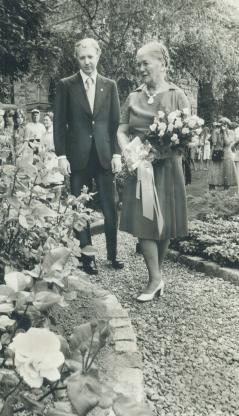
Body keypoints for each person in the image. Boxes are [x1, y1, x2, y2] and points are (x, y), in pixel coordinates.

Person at [117, 41, 190, 301]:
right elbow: (122, 130)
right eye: (138, 64)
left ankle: (156, 276)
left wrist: (161, 151)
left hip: (167, 168)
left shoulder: (177, 95)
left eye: (145, 63)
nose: (140, 68)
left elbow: (186, 136)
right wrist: (127, 150)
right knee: (144, 221)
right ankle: (155, 278)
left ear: (162, 63)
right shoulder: (133, 96)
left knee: (165, 222)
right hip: (140, 169)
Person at [54, 37, 123, 275]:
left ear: (98, 56)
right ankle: (87, 257)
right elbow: (59, 123)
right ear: (77, 59)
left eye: (90, 57)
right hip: (77, 157)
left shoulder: (110, 85)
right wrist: (61, 155)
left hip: (104, 155)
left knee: (110, 207)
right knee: (79, 207)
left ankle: (113, 255)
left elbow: (115, 123)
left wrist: (116, 153)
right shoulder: (66, 85)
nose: (86, 62)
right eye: (82, 58)